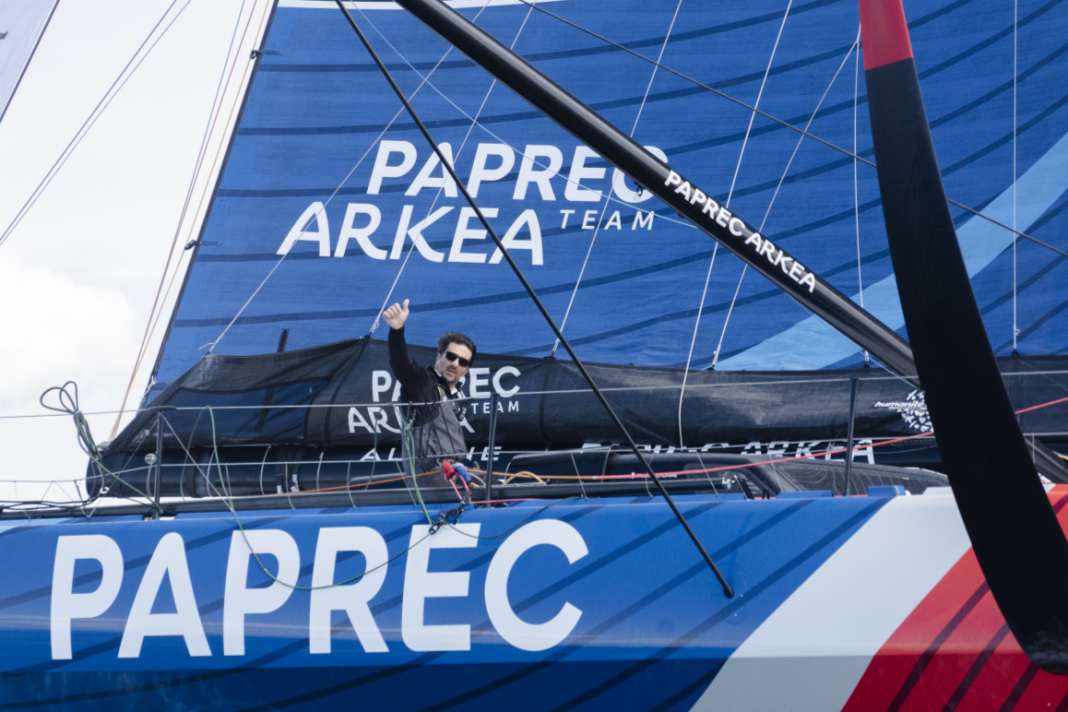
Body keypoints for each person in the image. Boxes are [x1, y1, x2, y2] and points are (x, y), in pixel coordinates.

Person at [383, 298, 476, 489]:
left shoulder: (455, 395)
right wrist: (397, 330)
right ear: (439, 355)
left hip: (458, 474)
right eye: (451, 356)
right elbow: (402, 366)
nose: (455, 364)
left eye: (463, 362)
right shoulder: (422, 383)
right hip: (433, 478)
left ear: (466, 370)